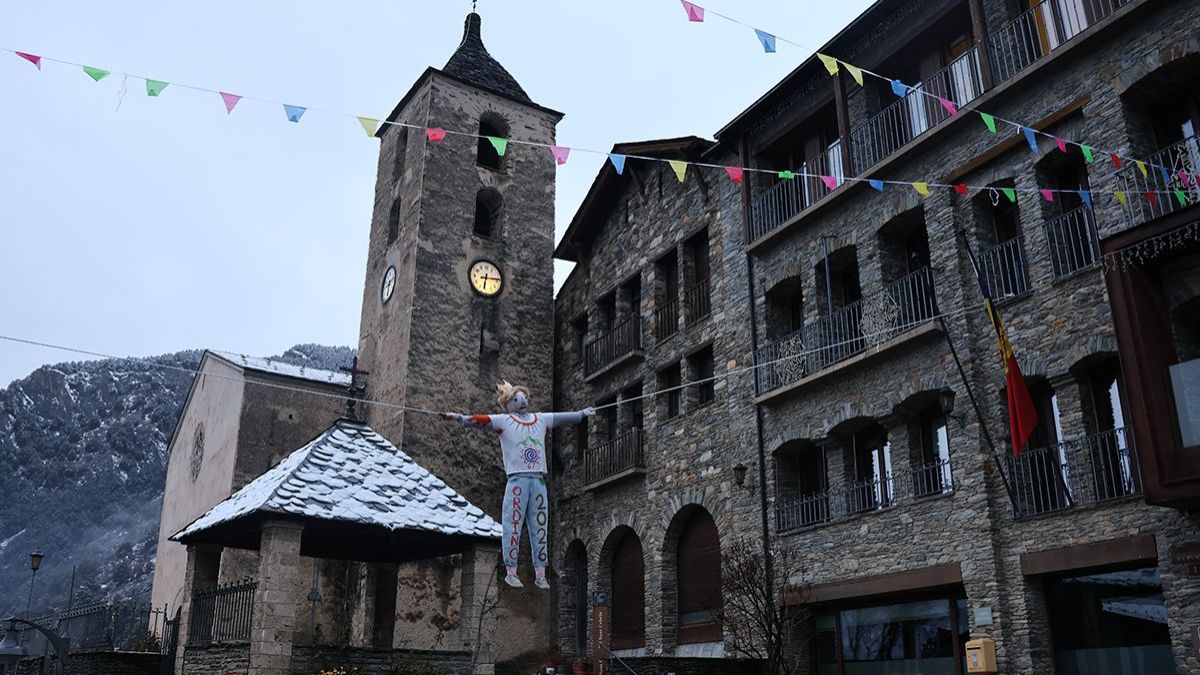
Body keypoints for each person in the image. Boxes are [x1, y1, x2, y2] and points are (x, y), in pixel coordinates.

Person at [443, 381, 595, 589]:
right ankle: (511, 571)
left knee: (540, 525)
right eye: (517, 398)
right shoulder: (503, 421)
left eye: (524, 397)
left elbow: (561, 417)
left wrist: (581, 415)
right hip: (517, 480)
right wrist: (459, 418)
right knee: (512, 523)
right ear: (508, 403)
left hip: (538, 481)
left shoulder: (540, 419)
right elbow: (480, 420)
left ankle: (540, 574)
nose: (522, 401)